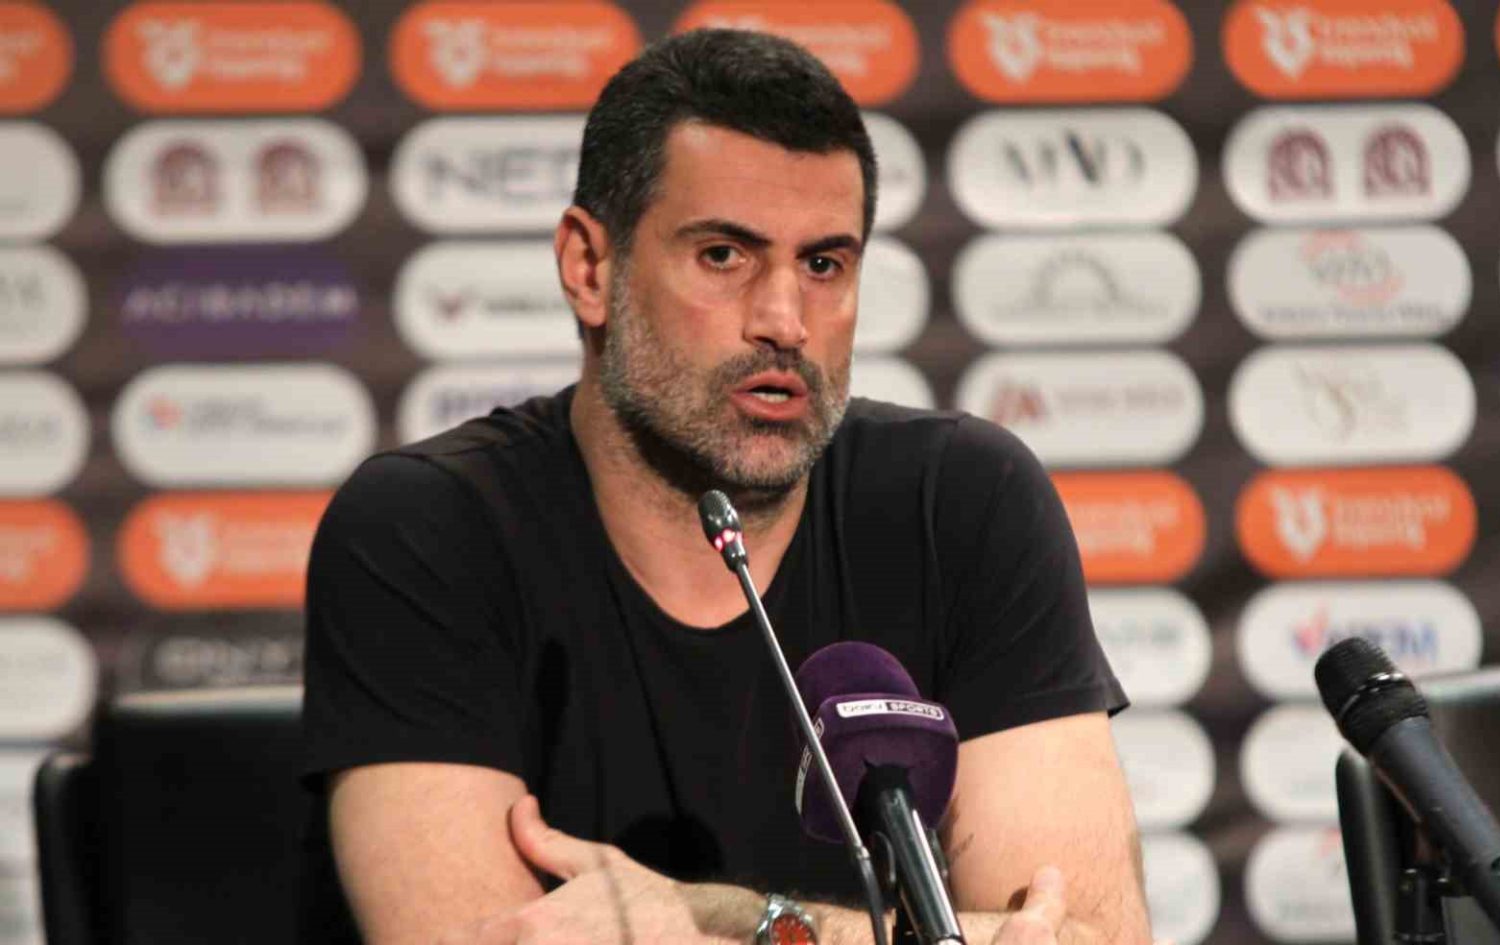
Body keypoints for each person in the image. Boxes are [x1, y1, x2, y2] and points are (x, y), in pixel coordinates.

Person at [300, 27, 1149, 945]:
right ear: (590, 269)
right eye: (723, 256)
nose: (784, 321)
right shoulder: (426, 527)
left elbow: (1085, 938)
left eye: (823, 264)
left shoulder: (963, 501)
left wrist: (727, 923)